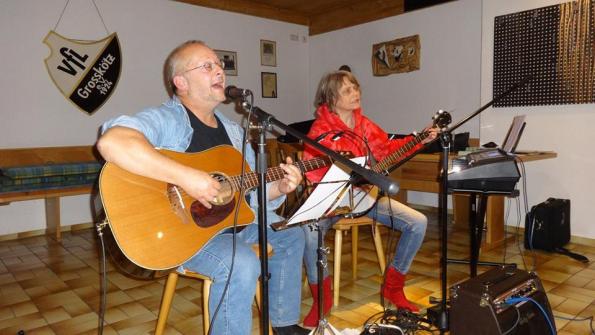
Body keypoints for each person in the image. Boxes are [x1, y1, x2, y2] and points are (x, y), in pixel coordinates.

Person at [97, 40, 309, 335]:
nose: (219, 71)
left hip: (232, 224)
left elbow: (249, 198)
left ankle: (284, 324)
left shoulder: (235, 133)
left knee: (293, 233)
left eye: (220, 66)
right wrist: (186, 178)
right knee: (242, 261)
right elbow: (112, 142)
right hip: (185, 234)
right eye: (207, 66)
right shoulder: (167, 120)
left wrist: (280, 188)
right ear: (180, 82)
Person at [301, 70, 438, 326]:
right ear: (331, 98)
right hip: (334, 202)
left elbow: (388, 149)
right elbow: (314, 170)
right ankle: (323, 298)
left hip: (366, 198)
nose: (356, 93)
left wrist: (419, 139)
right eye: (347, 90)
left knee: (417, 222)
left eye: (356, 87)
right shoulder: (320, 130)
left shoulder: (365, 125)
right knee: (309, 233)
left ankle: (393, 287)